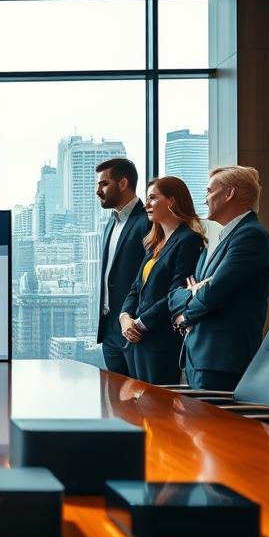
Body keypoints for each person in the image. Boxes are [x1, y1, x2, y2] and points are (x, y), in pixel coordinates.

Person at [169, 166, 269, 390]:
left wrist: (184, 317)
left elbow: (212, 294)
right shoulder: (221, 238)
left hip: (221, 360)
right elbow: (176, 294)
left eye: (209, 191)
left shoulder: (250, 236)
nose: (205, 199)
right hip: (201, 357)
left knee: (211, 426)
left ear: (229, 193)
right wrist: (194, 290)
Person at [119, 177, 205, 384]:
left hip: (161, 342)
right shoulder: (154, 243)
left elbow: (176, 294)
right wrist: (124, 318)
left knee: (158, 411)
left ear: (172, 201)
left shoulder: (188, 240)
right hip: (138, 342)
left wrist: (140, 324)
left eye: (152, 198)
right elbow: (136, 288)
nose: (146, 204)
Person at [95, 158, 150, 376]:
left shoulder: (146, 221)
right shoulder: (111, 222)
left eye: (104, 184)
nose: (98, 190)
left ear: (123, 183)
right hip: (110, 327)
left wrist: (135, 318)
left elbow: (149, 274)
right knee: (115, 402)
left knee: (140, 401)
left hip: (134, 326)